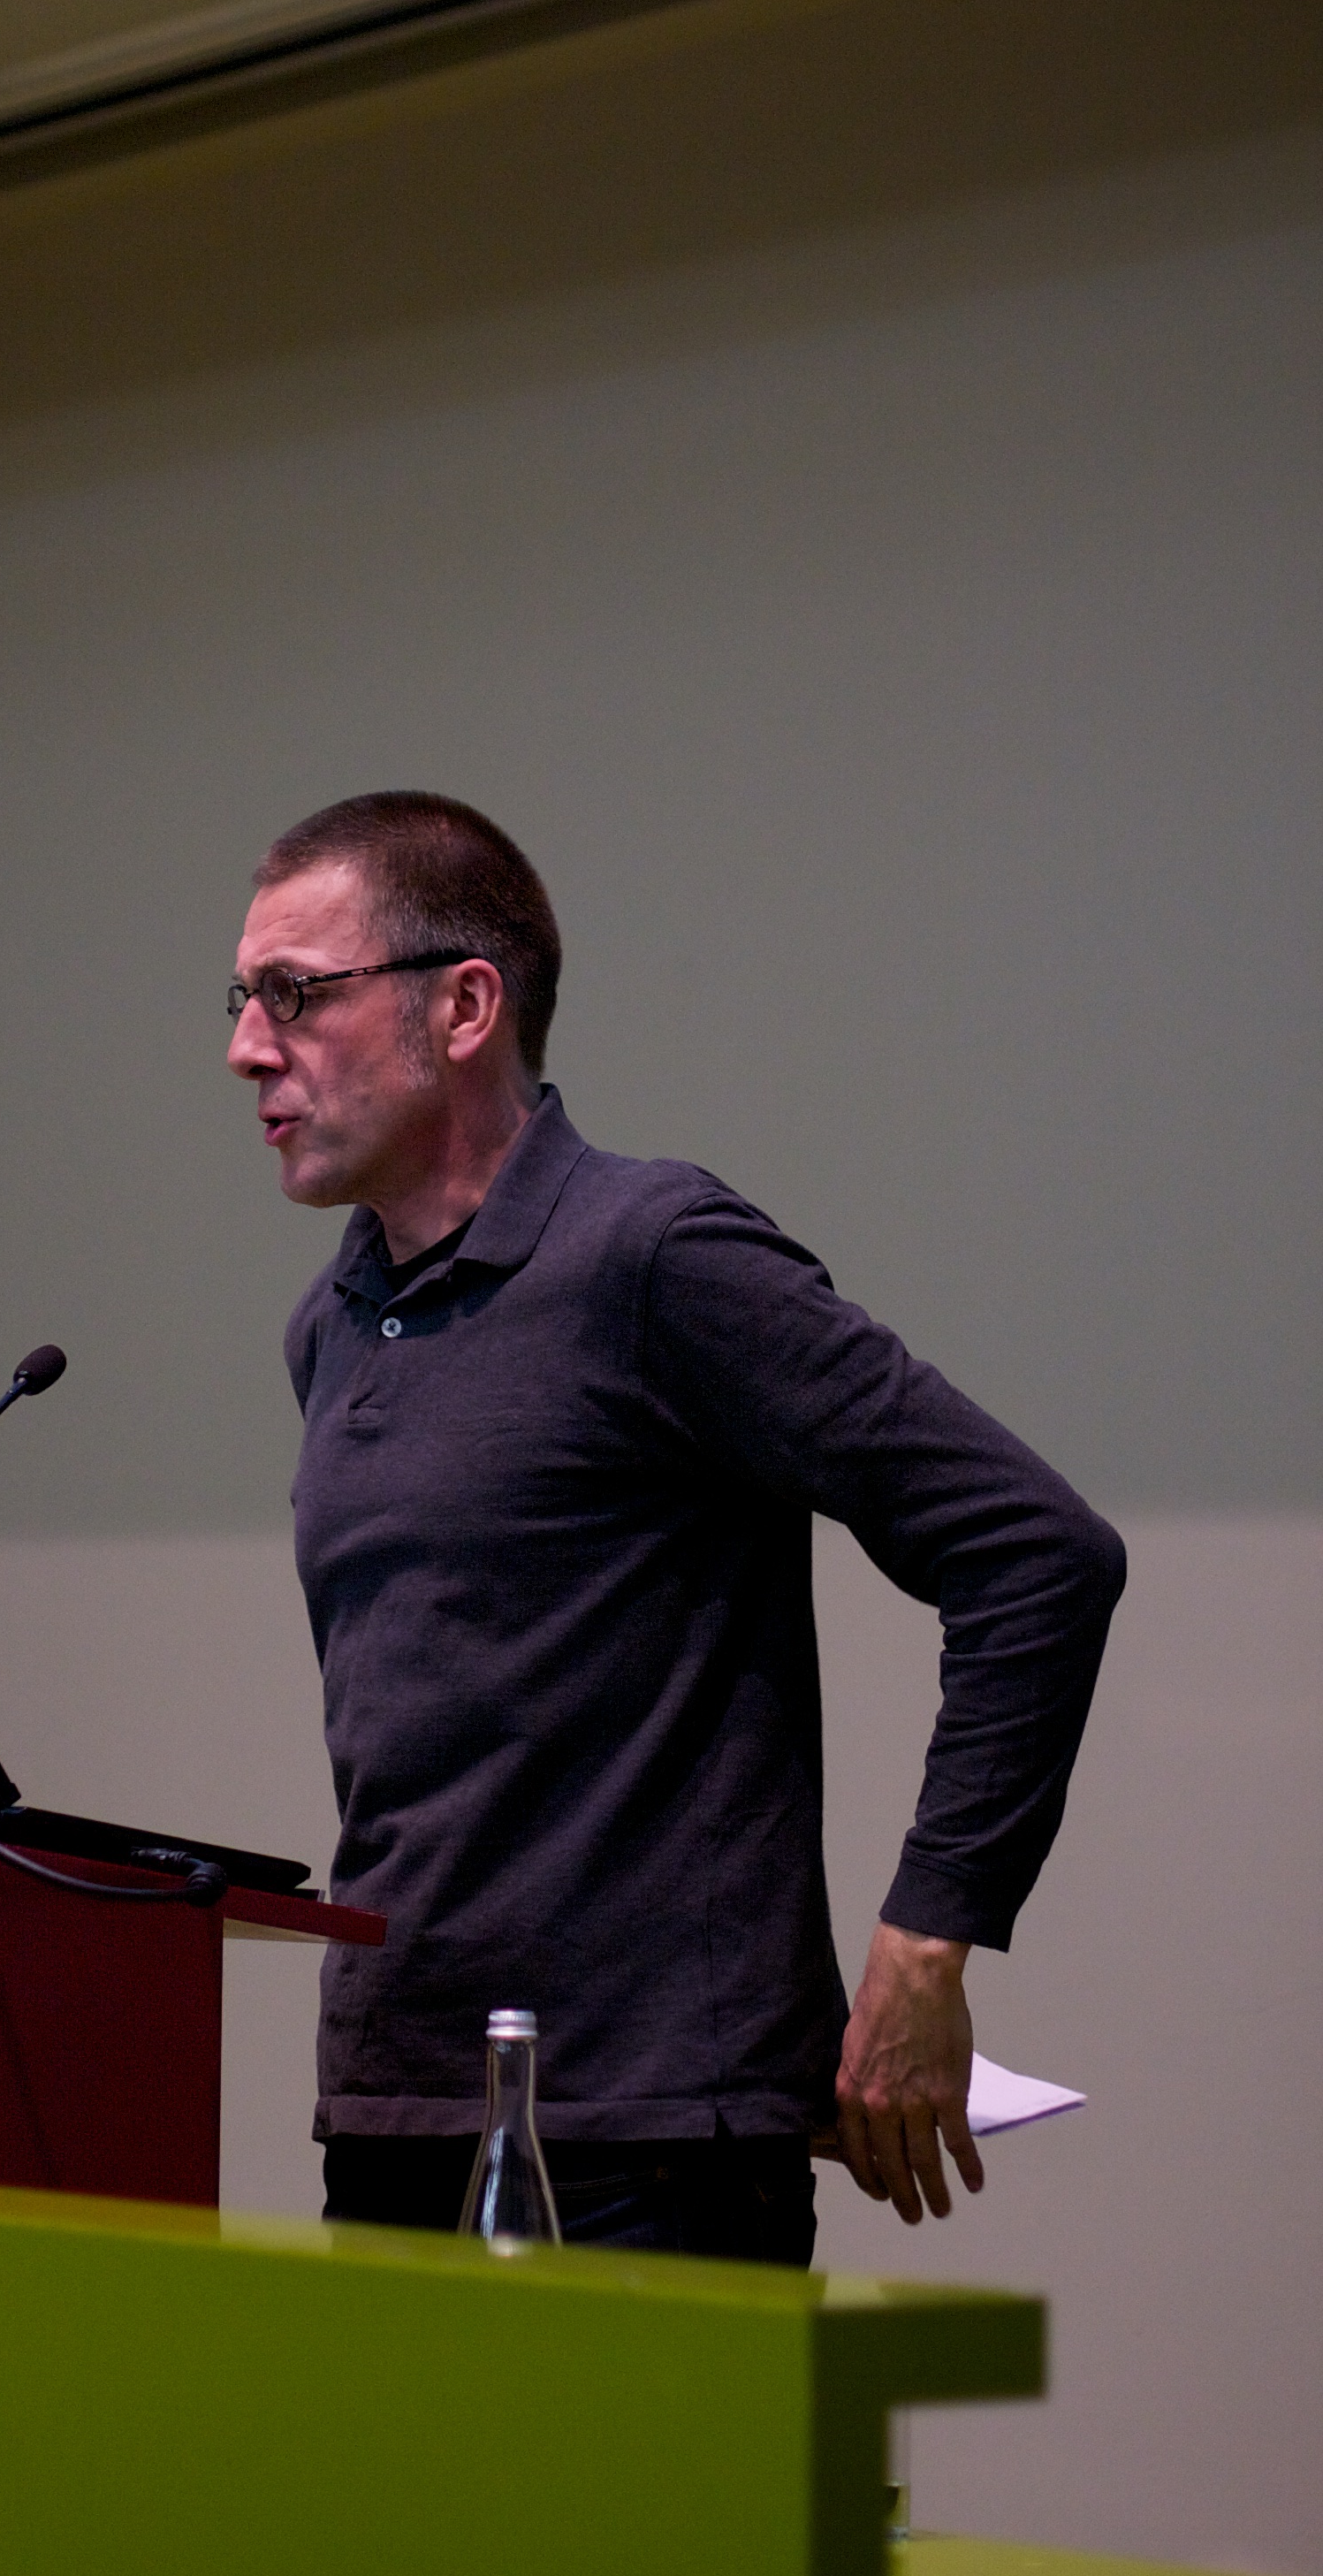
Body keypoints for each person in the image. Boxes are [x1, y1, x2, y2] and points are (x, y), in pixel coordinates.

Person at [226, 790, 1125, 2263]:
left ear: (464, 1007)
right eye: (243, 1001)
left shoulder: (651, 1259)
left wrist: (926, 1942)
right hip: (399, 2111)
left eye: (295, 994)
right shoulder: (330, 1325)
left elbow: (1038, 1554)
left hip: (647, 2150)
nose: (249, 1047)